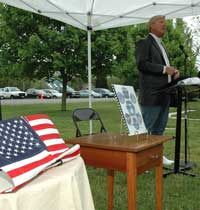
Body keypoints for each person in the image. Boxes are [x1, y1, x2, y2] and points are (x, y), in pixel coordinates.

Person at [135, 15, 180, 165]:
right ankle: (141, 160)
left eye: (165, 22)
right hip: (152, 95)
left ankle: (157, 156)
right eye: (161, 22)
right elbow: (142, 64)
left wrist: (173, 72)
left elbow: (164, 69)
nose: (164, 25)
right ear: (151, 25)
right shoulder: (144, 43)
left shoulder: (162, 45)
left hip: (164, 93)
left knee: (159, 129)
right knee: (147, 129)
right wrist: (164, 69)